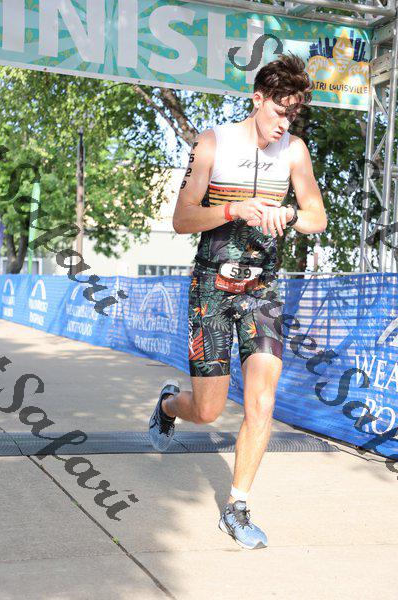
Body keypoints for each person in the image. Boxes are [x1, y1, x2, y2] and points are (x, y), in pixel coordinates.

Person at [149, 53, 327, 550]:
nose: (284, 124)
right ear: (258, 99)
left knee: (262, 400)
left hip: (261, 291)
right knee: (207, 410)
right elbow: (182, 219)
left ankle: (237, 506)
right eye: (279, 112)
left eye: (293, 115)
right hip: (211, 287)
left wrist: (288, 215)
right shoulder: (212, 143)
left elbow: (317, 217)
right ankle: (169, 405)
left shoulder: (295, 152)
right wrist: (232, 209)